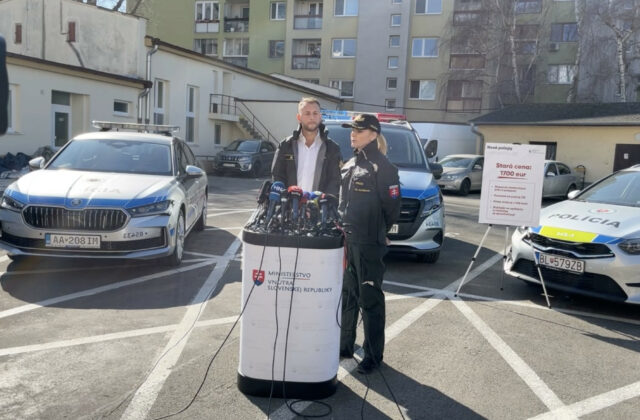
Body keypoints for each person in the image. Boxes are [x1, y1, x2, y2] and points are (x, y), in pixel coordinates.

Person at [338, 114, 401, 374]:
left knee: (370, 299)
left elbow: (392, 207)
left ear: (373, 134)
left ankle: (373, 356)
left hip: (368, 243)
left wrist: (380, 231)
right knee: (348, 294)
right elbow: (343, 203)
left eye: (359, 130)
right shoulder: (350, 163)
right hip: (346, 241)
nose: (353, 133)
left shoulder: (383, 167)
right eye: (352, 129)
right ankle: (344, 345)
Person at [271, 97, 341, 196]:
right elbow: (277, 175)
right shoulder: (286, 145)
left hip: (319, 208)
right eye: (307, 113)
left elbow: (334, 181)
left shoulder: (332, 148)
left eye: (315, 113)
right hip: (289, 208)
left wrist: (323, 203)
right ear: (299, 117)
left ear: (320, 116)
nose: (312, 117)